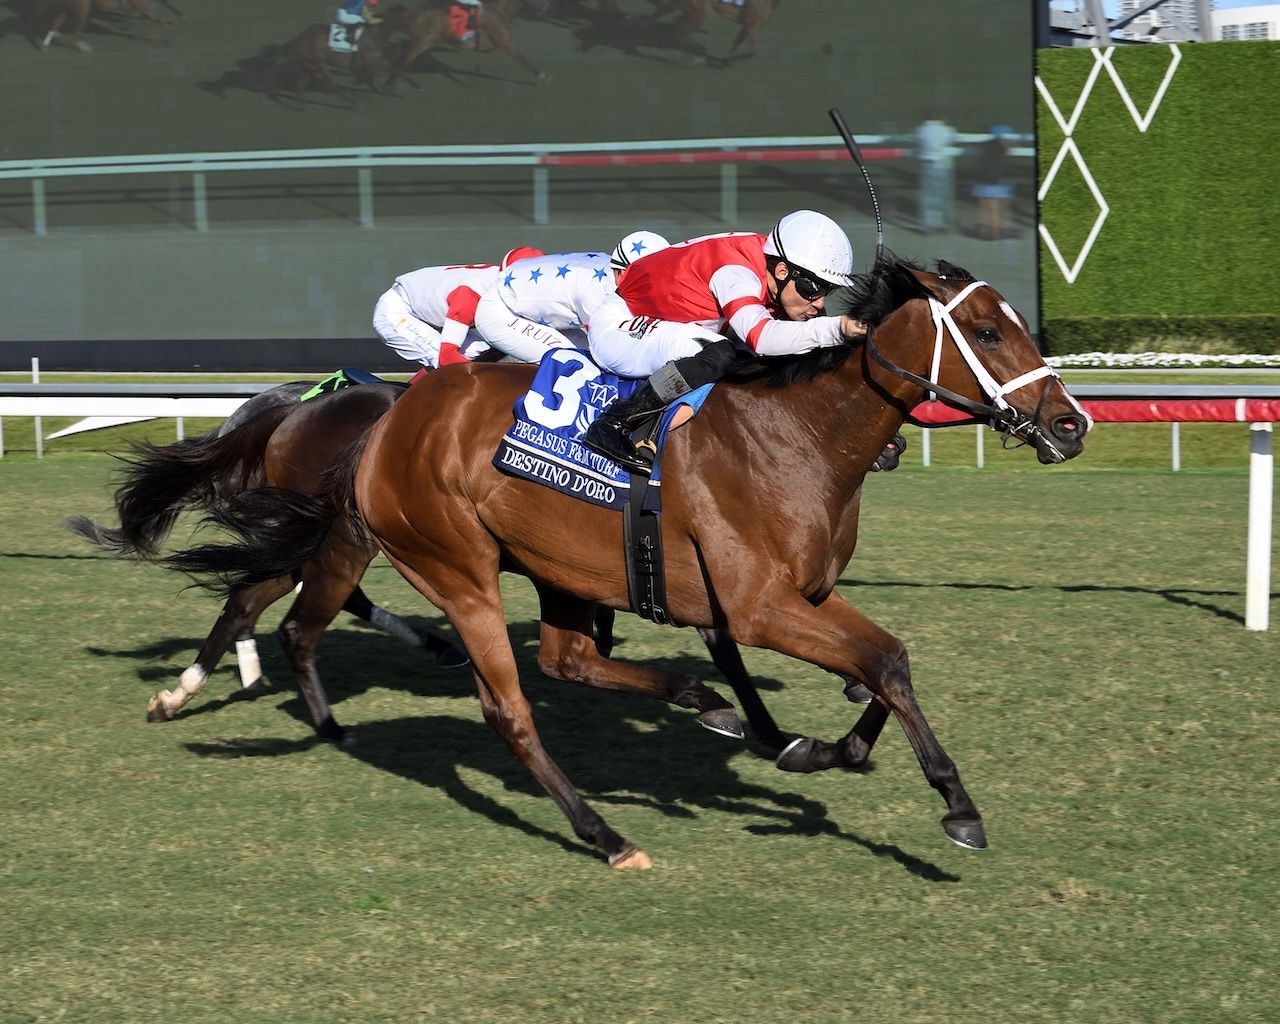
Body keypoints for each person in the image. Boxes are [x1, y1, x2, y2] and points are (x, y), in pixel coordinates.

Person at [581, 210, 869, 475]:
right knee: (719, 354)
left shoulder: (774, 268)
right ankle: (612, 424)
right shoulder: (736, 273)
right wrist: (839, 328)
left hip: (665, 322)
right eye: (812, 288)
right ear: (782, 271)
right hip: (619, 327)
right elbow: (763, 339)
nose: (819, 303)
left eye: (827, 290)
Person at [473, 231, 671, 364]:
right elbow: (611, 351)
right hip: (501, 312)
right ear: (621, 272)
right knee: (577, 363)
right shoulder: (596, 294)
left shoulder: (615, 274)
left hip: (527, 291)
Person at [372, 247, 544, 373]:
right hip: (398, 311)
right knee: (453, 366)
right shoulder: (473, 295)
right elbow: (447, 357)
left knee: (486, 356)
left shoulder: (502, 282)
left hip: (433, 313)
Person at [914, 109, 958, 234]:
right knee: (945, 196)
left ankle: (927, 225)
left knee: (927, 197)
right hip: (943, 164)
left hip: (928, 165)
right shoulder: (947, 130)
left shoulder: (921, 130)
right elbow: (951, 139)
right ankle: (945, 224)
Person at [972, 126, 1014, 241]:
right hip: (998, 180)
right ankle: (995, 231)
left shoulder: (983, 147)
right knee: (996, 208)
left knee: (984, 208)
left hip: (983, 180)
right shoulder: (1003, 149)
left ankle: (984, 231)